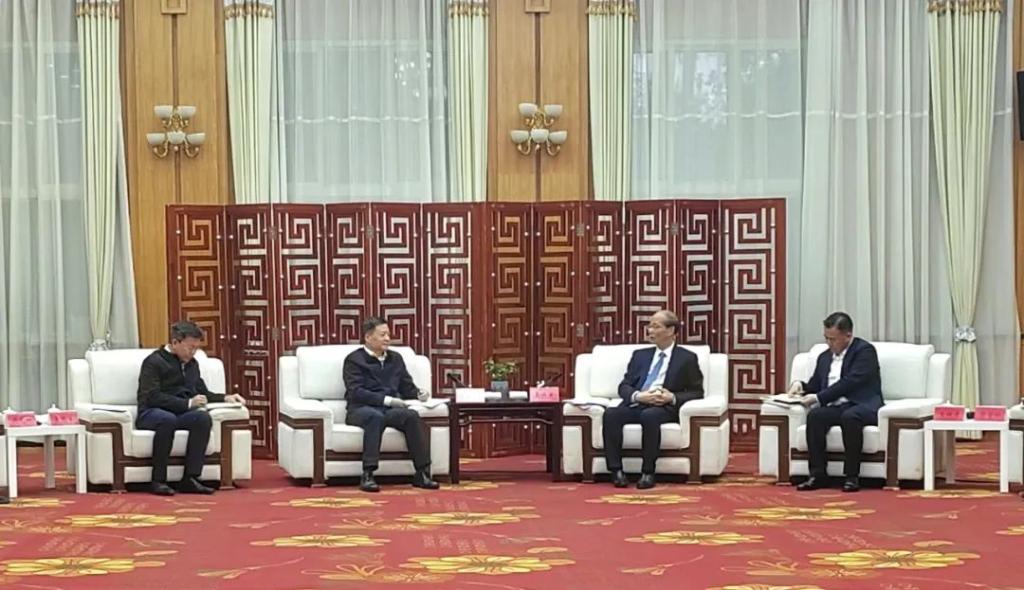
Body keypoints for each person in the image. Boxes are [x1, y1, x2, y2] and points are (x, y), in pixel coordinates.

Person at [137, 321, 246, 496]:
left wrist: (226, 397)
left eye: (196, 348)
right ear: (175, 342)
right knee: (167, 420)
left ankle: (190, 478)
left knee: (202, 418)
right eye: (190, 347)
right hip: (151, 412)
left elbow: (202, 392)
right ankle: (158, 480)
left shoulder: (192, 364)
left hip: (179, 413)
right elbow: (152, 396)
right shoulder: (154, 362)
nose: (193, 352)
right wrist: (187, 404)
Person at [603, 310, 704, 490]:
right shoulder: (639, 355)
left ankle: (648, 472)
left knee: (650, 416)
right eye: (649, 326)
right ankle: (616, 470)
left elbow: (697, 392)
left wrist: (672, 397)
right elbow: (624, 385)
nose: (650, 330)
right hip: (638, 402)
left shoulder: (687, 358)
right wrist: (637, 395)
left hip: (662, 407)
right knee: (611, 414)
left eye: (656, 326)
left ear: (671, 331)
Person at [342, 317, 440, 493]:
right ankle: (368, 474)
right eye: (382, 335)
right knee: (375, 418)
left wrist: (419, 393)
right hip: (360, 409)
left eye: (388, 334)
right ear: (368, 337)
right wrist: (387, 400)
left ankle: (422, 472)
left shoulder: (395, 358)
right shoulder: (354, 360)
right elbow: (356, 392)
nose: (387, 338)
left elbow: (406, 387)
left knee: (411, 416)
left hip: (389, 410)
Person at [792, 312, 883, 493]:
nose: (829, 343)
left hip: (861, 405)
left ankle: (851, 476)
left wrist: (819, 398)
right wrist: (800, 386)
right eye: (826, 338)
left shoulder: (865, 351)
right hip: (837, 406)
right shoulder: (824, 357)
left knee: (850, 417)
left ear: (848, 336)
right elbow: (816, 385)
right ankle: (817, 474)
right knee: (815, 416)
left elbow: (850, 382)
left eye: (833, 339)